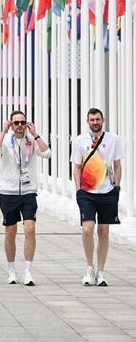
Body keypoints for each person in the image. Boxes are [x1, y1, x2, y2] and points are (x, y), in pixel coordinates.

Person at [0, 110, 51, 285]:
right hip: (8, 191)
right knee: (10, 231)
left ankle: (28, 271)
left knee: (30, 228)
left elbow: (47, 153)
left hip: (28, 190)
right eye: (15, 123)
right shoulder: (5, 140)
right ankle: (11, 270)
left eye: (22, 122)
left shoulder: (31, 140)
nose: (19, 126)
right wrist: (3, 131)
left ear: (26, 124)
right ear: (11, 124)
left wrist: (36, 134)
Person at [72, 107, 124, 287]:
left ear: (103, 120)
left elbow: (117, 165)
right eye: (92, 120)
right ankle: (89, 267)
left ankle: (101, 272)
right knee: (87, 229)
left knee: (103, 232)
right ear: (87, 121)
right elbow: (77, 167)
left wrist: (117, 187)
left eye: (98, 119)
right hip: (86, 192)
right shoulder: (80, 140)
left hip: (108, 192)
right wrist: (78, 189)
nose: (95, 122)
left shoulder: (114, 139)